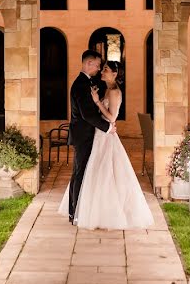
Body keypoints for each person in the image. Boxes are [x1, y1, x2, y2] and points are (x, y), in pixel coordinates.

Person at [59, 60, 154, 230]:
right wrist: (97, 100)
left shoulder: (115, 92)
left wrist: (97, 102)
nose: (101, 71)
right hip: (99, 134)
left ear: (115, 74)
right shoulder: (106, 89)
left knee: (105, 172)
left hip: (105, 135)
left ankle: (102, 212)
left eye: (105, 69)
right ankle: (90, 208)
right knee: (94, 171)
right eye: (101, 68)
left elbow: (112, 118)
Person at [62, 50, 113, 224]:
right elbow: (87, 115)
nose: (99, 69)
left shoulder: (86, 82)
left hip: (84, 135)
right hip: (83, 136)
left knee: (79, 173)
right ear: (89, 63)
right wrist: (107, 127)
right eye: (98, 65)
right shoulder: (80, 85)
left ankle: (74, 211)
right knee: (80, 173)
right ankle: (76, 212)